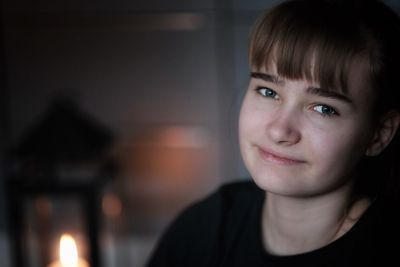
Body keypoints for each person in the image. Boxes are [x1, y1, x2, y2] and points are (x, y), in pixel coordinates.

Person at [146, 0, 400, 266]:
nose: (279, 130)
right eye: (268, 92)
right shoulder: (206, 227)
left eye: (323, 108)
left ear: (379, 134)